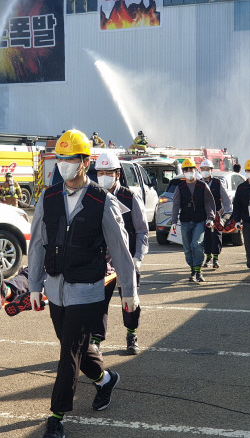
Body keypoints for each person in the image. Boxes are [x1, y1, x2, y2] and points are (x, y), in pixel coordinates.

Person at [28, 130, 137, 438]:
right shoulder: (47, 198)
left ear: (84, 162)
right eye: (59, 159)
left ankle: (57, 415)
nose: (63, 165)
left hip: (87, 290)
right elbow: (38, 243)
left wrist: (129, 292)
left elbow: (120, 248)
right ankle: (105, 380)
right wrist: (34, 284)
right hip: (56, 290)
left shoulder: (102, 201)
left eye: (70, 159)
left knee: (67, 356)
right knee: (74, 348)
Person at [91, 152, 149, 355]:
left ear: (117, 174)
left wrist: (138, 257)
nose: (104, 176)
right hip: (101, 262)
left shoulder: (130, 197)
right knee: (98, 302)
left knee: (130, 300)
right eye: (100, 172)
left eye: (108, 172)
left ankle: (131, 334)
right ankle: (96, 340)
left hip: (127, 260)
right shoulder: (93, 196)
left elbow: (142, 230)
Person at [171, 158, 216, 282]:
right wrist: (173, 222)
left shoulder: (202, 186)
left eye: (191, 169)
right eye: (186, 170)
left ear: (195, 170)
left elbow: (209, 203)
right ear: (183, 172)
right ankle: (192, 269)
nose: (189, 172)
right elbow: (175, 205)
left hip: (199, 221)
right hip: (185, 221)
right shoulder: (180, 187)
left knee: (196, 244)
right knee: (187, 248)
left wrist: (210, 218)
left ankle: (199, 271)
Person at [199, 159, 232, 269]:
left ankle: (216, 259)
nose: (205, 171)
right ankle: (208, 258)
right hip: (203, 214)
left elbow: (225, 198)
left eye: (207, 169)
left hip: (217, 214)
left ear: (211, 170)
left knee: (217, 236)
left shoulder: (217, 183)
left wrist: (227, 213)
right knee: (206, 236)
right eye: (203, 169)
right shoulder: (199, 182)